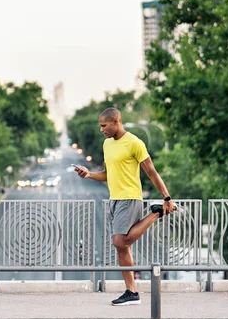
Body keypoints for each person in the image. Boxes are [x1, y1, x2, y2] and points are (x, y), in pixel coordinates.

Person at [74, 107, 175, 306]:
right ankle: (131, 292)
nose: (102, 129)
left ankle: (156, 213)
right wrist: (89, 174)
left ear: (116, 122)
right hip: (115, 199)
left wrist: (167, 197)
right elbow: (108, 174)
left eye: (104, 125)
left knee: (120, 242)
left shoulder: (135, 143)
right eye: (100, 126)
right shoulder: (107, 144)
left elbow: (152, 171)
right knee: (123, 247)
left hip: (130, 197)